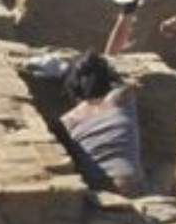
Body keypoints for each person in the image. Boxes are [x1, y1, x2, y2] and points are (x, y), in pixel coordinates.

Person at [58, 52, 147, 197]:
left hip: (98, 189)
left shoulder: (67, 122)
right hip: (131, 185)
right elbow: (120, 77)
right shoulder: (120, 98)